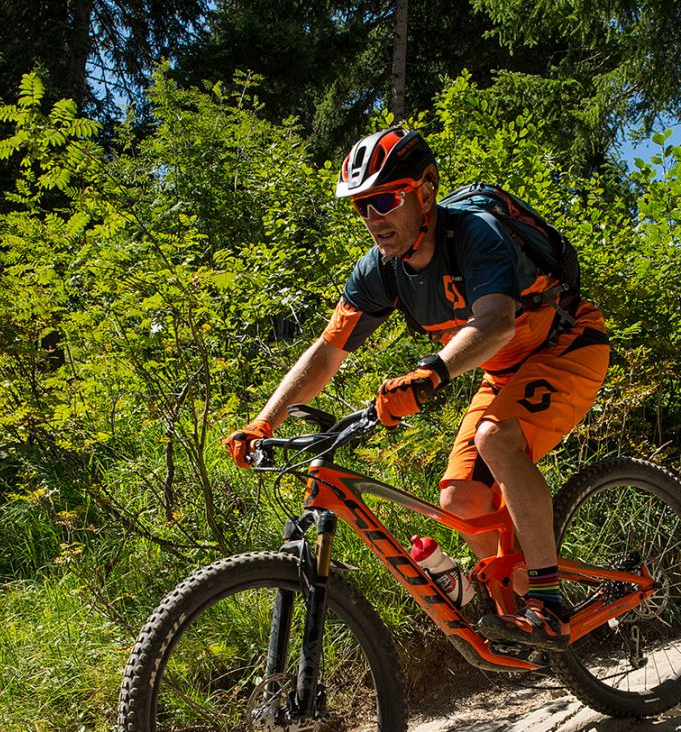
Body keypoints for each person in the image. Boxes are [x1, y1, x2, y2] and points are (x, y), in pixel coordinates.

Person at [224, 127, 610, 648]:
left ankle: (548, 603)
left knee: (496, 439)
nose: (372, 218)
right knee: (462, 497)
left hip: (567, 345)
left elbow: (495, 323)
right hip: (503, 373)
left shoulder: (474, 235)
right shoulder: (379, 272)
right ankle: (523, 606)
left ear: (425, 192)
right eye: (362, 206)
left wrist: (431, 372)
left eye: (385, 199)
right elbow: (326, 351)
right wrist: (264, 419)